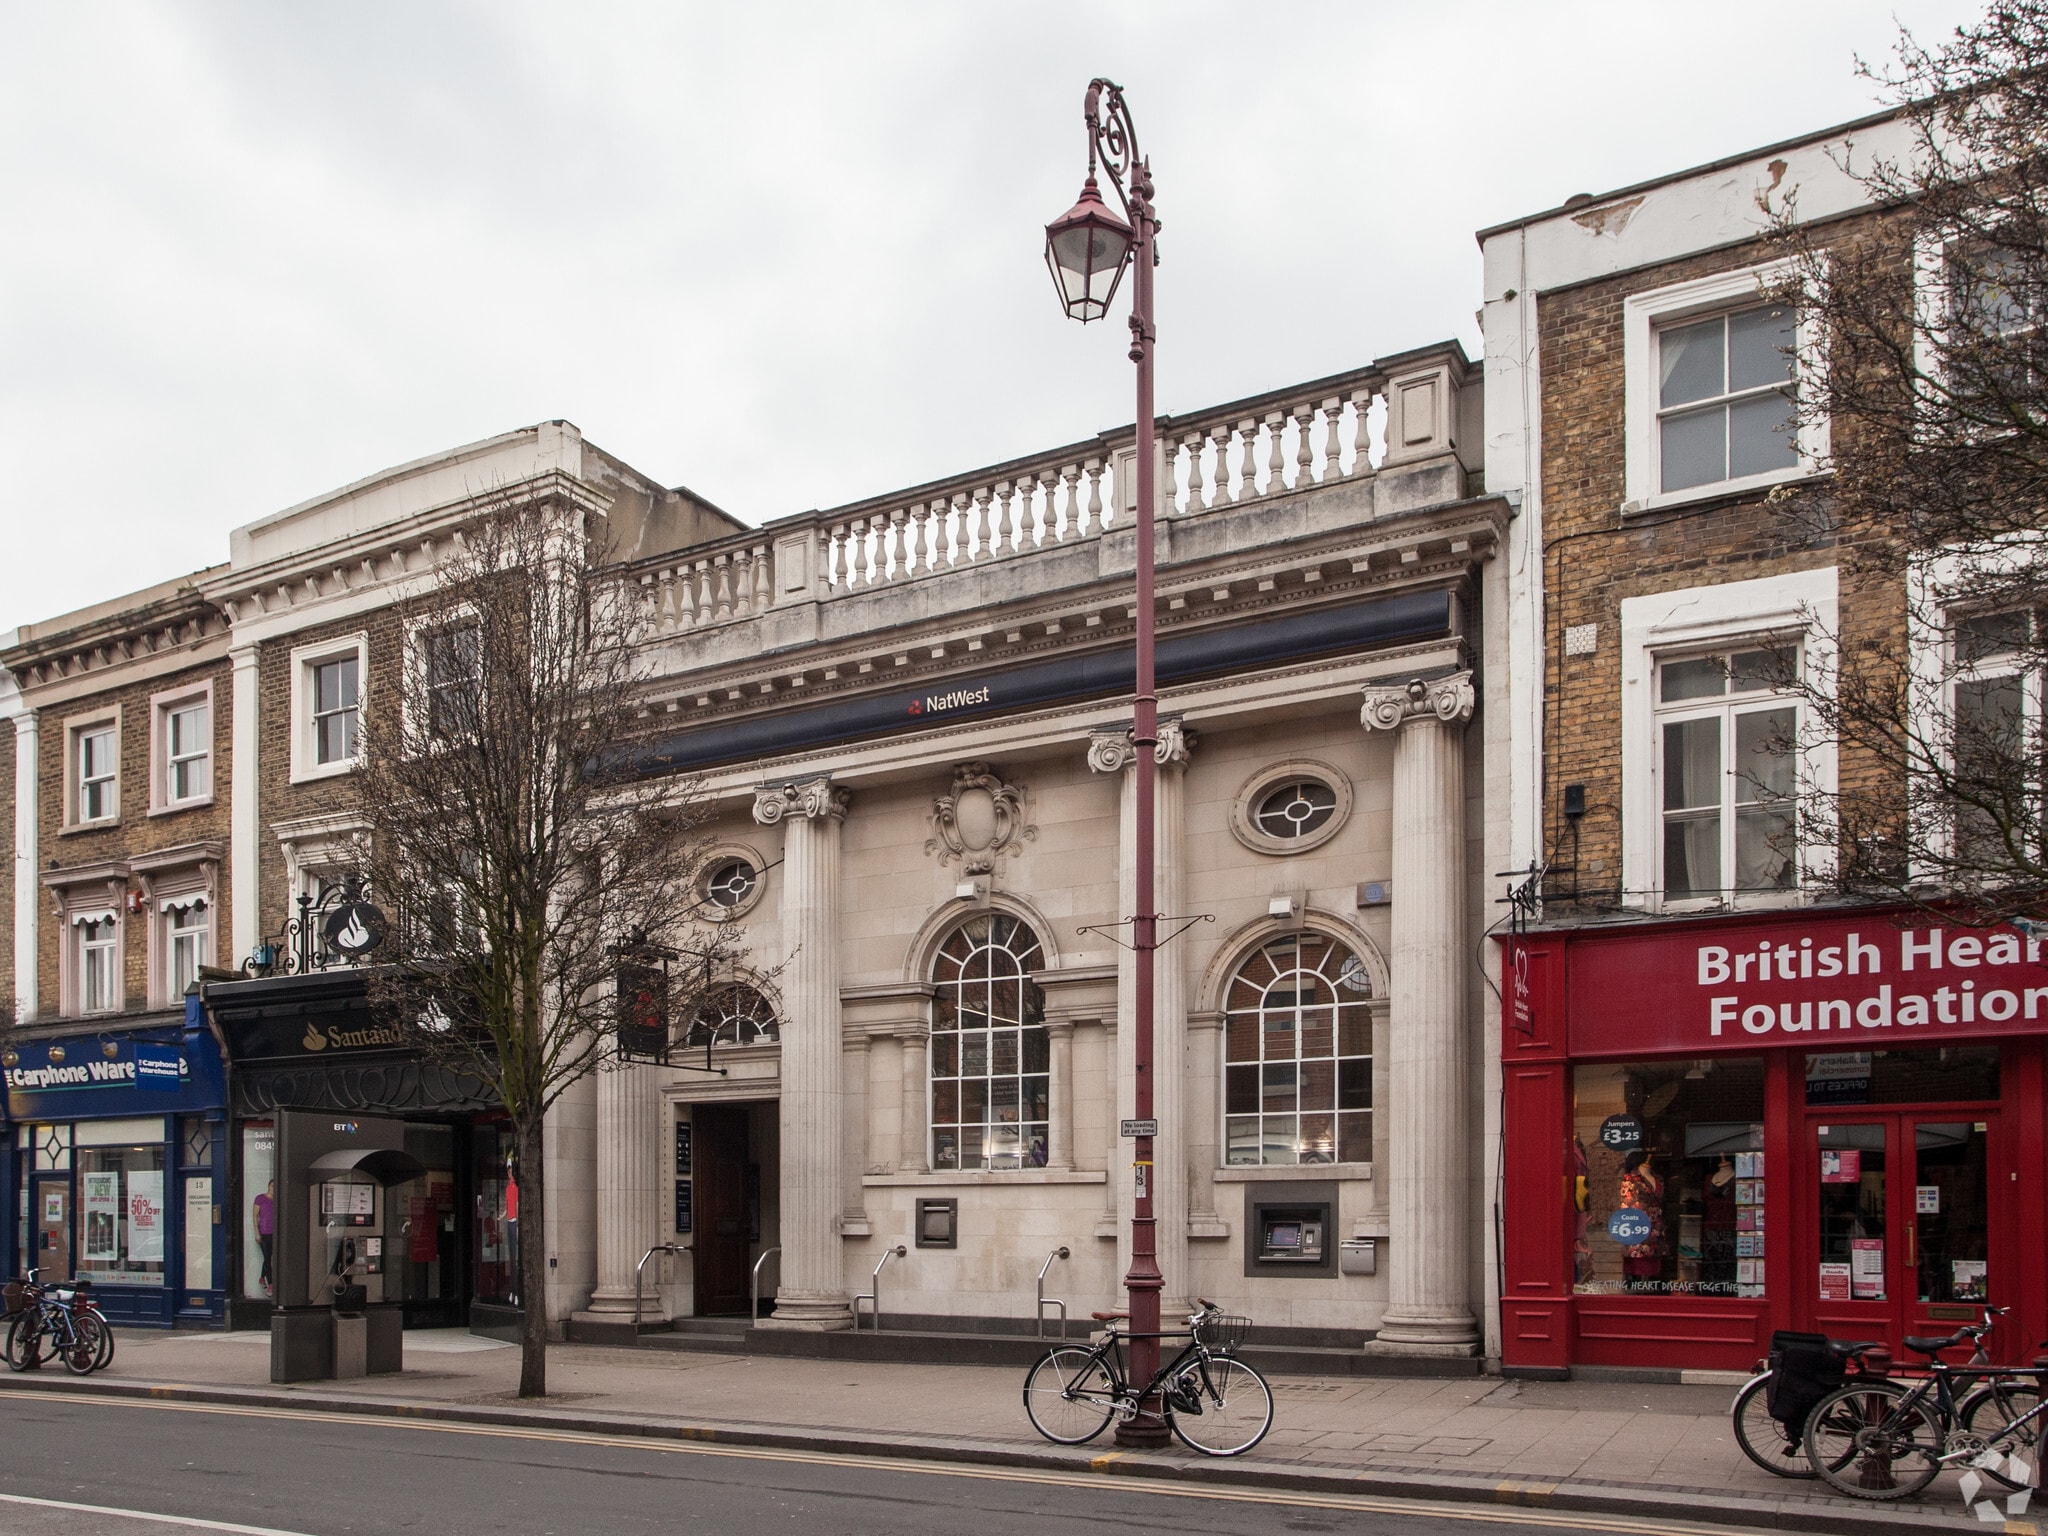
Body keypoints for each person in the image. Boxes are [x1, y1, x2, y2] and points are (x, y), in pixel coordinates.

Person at [1616, 1150, 1667, 1291]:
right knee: (1638, 1261)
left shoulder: (1658, 1178)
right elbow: (1627, 1204)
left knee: (1652, 1262)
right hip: (1637, 1224)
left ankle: (1647, 1288)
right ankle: (1637, 1289)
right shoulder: (1630, 1179)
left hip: (1655, 1226)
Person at [253, 1180, 275, 1294]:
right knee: (267, 1258)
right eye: (272, 1186)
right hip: (264, 1232)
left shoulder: (277, 1200)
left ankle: (262, 1278)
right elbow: (255, 1216)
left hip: (274, 1233)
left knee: (268, 1257)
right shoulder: (260, 1198)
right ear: (268, 1186)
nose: (273, 1188)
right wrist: (257, 1233)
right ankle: (270, 1284)